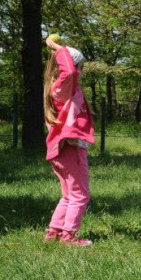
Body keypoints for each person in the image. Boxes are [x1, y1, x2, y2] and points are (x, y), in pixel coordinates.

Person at [43, 34, 95, 246]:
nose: (80, 72)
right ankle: (69, 236)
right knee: (80, 195)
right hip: (71, 148)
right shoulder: (64, 87)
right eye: (80, 67)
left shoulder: (60, 88)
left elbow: (70, 71)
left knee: (69, 195)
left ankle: (54, 232)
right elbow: (70, 72)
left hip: (62, 149)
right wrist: (58, 48)